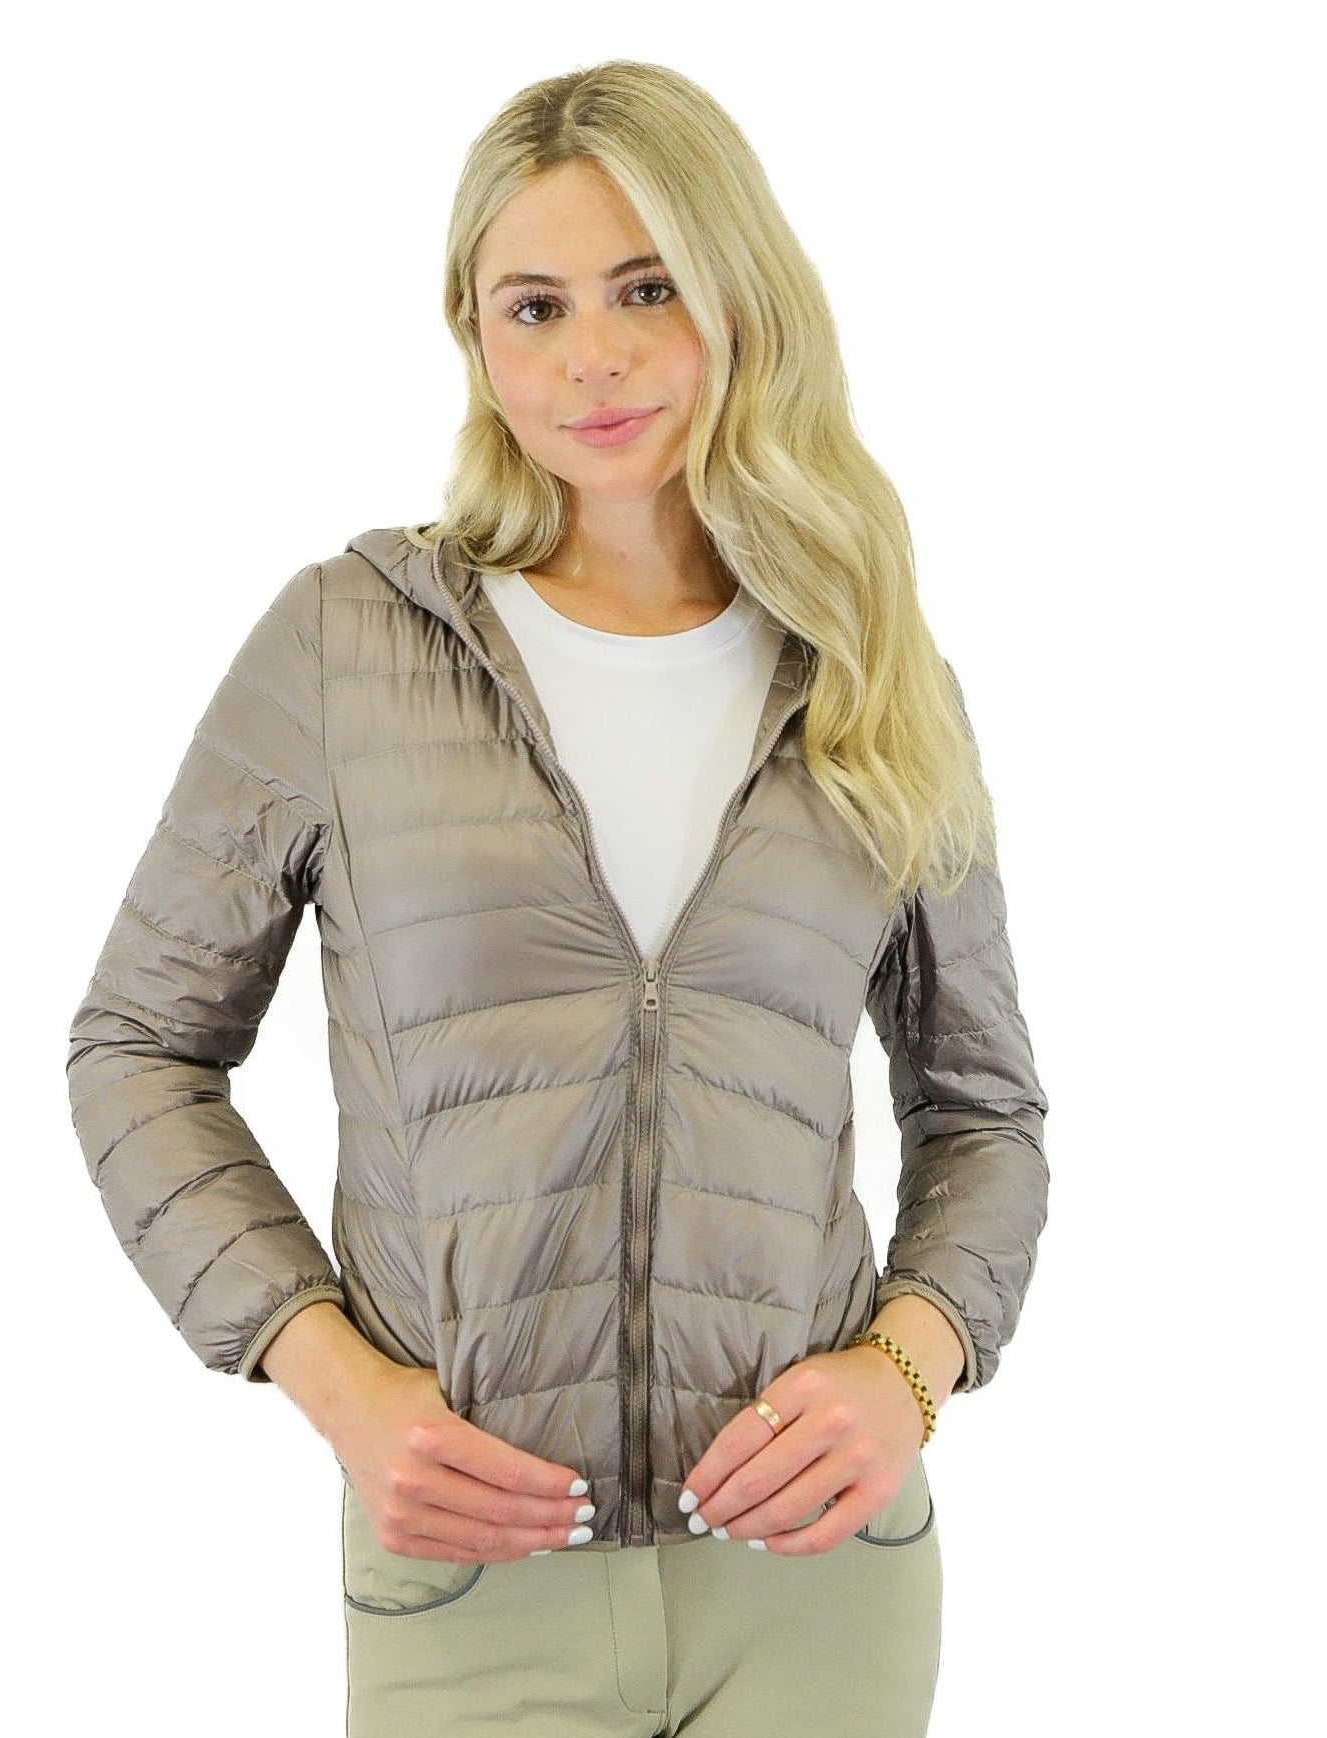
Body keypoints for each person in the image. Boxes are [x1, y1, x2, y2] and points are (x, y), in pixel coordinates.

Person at [66, 58, 1048, 1738]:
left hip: (817, 1568)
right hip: (469, 1569)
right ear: (476, 338)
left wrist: (909, 1364)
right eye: (534, 306)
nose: (591, 355)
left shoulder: (870, 674)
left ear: (739, 300)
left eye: (645, 289)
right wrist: (335, 1381)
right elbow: (136, 1050)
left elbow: (983, 1110)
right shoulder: (344, 645)